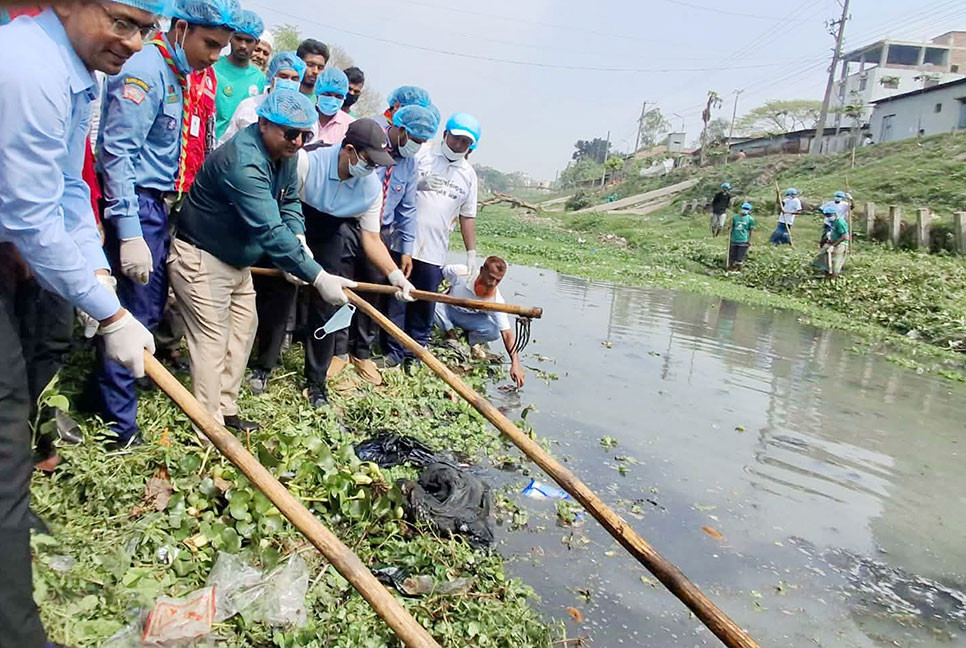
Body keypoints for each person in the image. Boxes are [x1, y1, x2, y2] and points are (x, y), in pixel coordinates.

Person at [0, 1, 164, 644]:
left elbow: (70, 185)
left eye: (146, 29)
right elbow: (31, 217)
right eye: (120, 20)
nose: (133, 41)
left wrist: (97, 275)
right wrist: (113, 312)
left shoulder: (78, 72)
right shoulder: (29, 70)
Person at [95, 0, 238, 447]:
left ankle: (102, 399)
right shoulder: (146, 70)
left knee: (150, 308)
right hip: (137, 203)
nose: (215, 55)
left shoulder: (187, 76)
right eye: (210, 44)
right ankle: (120, 427)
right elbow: (117, 154)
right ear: (180, 28)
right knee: (134, 311)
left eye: (223, 46)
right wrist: (130, 229)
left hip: (164, 204)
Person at [170, 90, 354, 434]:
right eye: (290, 133)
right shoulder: (244, 161)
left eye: (305, 135)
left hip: (237, 262)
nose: (298, 142)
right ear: (264, 123)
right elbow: (269, 229)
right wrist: (317, 276)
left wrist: (298, 238)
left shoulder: (283, 155)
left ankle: (226, 410)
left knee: (242, 333)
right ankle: (207, 428)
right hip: (201, 257)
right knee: (212, 342)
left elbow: (289, 205)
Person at [299, 119, 417, 407]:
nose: (372, 169)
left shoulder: (371, 188)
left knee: (326, 303)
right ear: (349, 150)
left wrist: (394, 275)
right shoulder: (308, 163)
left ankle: (316, 383)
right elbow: (285, 205)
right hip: (297, 218)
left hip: (331, 231)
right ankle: (263, 367)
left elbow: (372, 240)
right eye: (368, 161)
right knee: (277, 294)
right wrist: (296, 248)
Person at [349, 102, 440, 385]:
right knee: (344, 287)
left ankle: (361, 352)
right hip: (352, 224)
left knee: (373, 291)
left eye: (423, 142)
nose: (417, 146)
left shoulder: (410, 164)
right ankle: (336, 351)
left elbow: (408, 209)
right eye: (415, 139)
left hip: (383, 233)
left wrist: (407, 250)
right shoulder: (372, 144)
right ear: (401, 129)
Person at [386, 112, 480, 367]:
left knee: (424, 303)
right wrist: (418, 183)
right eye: (456, 138)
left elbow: (467, 216)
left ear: (471, 146)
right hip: (402, 241)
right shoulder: (422, 155)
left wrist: (472, 252)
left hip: (434, 250)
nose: (458, 145)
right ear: (445, 134)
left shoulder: (468, 175)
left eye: (465, 143)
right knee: (397, 299)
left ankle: (414, 354)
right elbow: (396, 183)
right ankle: (393, 351)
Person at [435, 257, 525, 387]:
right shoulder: (462, 273)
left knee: (493, 331)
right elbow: (439, 273)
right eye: (491, 277)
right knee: (432, 305)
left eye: (498, 280)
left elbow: (507, 334)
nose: (492, 283)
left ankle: (469, 342)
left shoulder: (496, 301)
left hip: (469, 318)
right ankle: (451, 334)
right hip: (448, 309)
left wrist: (515, 363)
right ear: (482, 270)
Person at [219, 50, 306, 145]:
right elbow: (226, 142)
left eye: (294, 79)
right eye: (283, 76)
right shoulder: (249, 106)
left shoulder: (302, 114)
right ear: (272, 76)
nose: (289, 82)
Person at [212, 8, 265, 140]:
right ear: (230, 37)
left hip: (241, 148)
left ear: (257, 43)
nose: (242, 45)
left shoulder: (259, 78)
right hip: (211, 143)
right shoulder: (213, 68)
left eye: (248, 41)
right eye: (238, 39)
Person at [311, 67, 354, 145]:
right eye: (327, 95)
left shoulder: (350, 126)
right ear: (318, 93)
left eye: (338, 96)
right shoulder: (303, 115)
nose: (332, 100)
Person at [813, 205, 850, 277]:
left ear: (835, 214)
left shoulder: (840, 222)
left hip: (841, 244)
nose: (828, 217)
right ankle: (827, 273)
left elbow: (844, 236)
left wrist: (833, 246)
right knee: (824, 256)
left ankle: (834, 276)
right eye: (826, 215)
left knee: (836, 262)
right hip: (834, 242)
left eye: (829, 215)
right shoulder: (834, 222)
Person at [727, 202, 755, 271]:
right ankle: (730, 269)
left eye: (747, 209)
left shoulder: (750, 219)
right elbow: (731, 226)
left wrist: (750, 240)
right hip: (734, 240)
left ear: (749, 210)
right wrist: (729, 230)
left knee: (740, 258)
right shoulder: (735, 217)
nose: (745, 210)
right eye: (744, 208)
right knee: (732, 256)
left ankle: (738, 270)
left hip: (743, 241)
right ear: (741, 208)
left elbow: (751, 230)